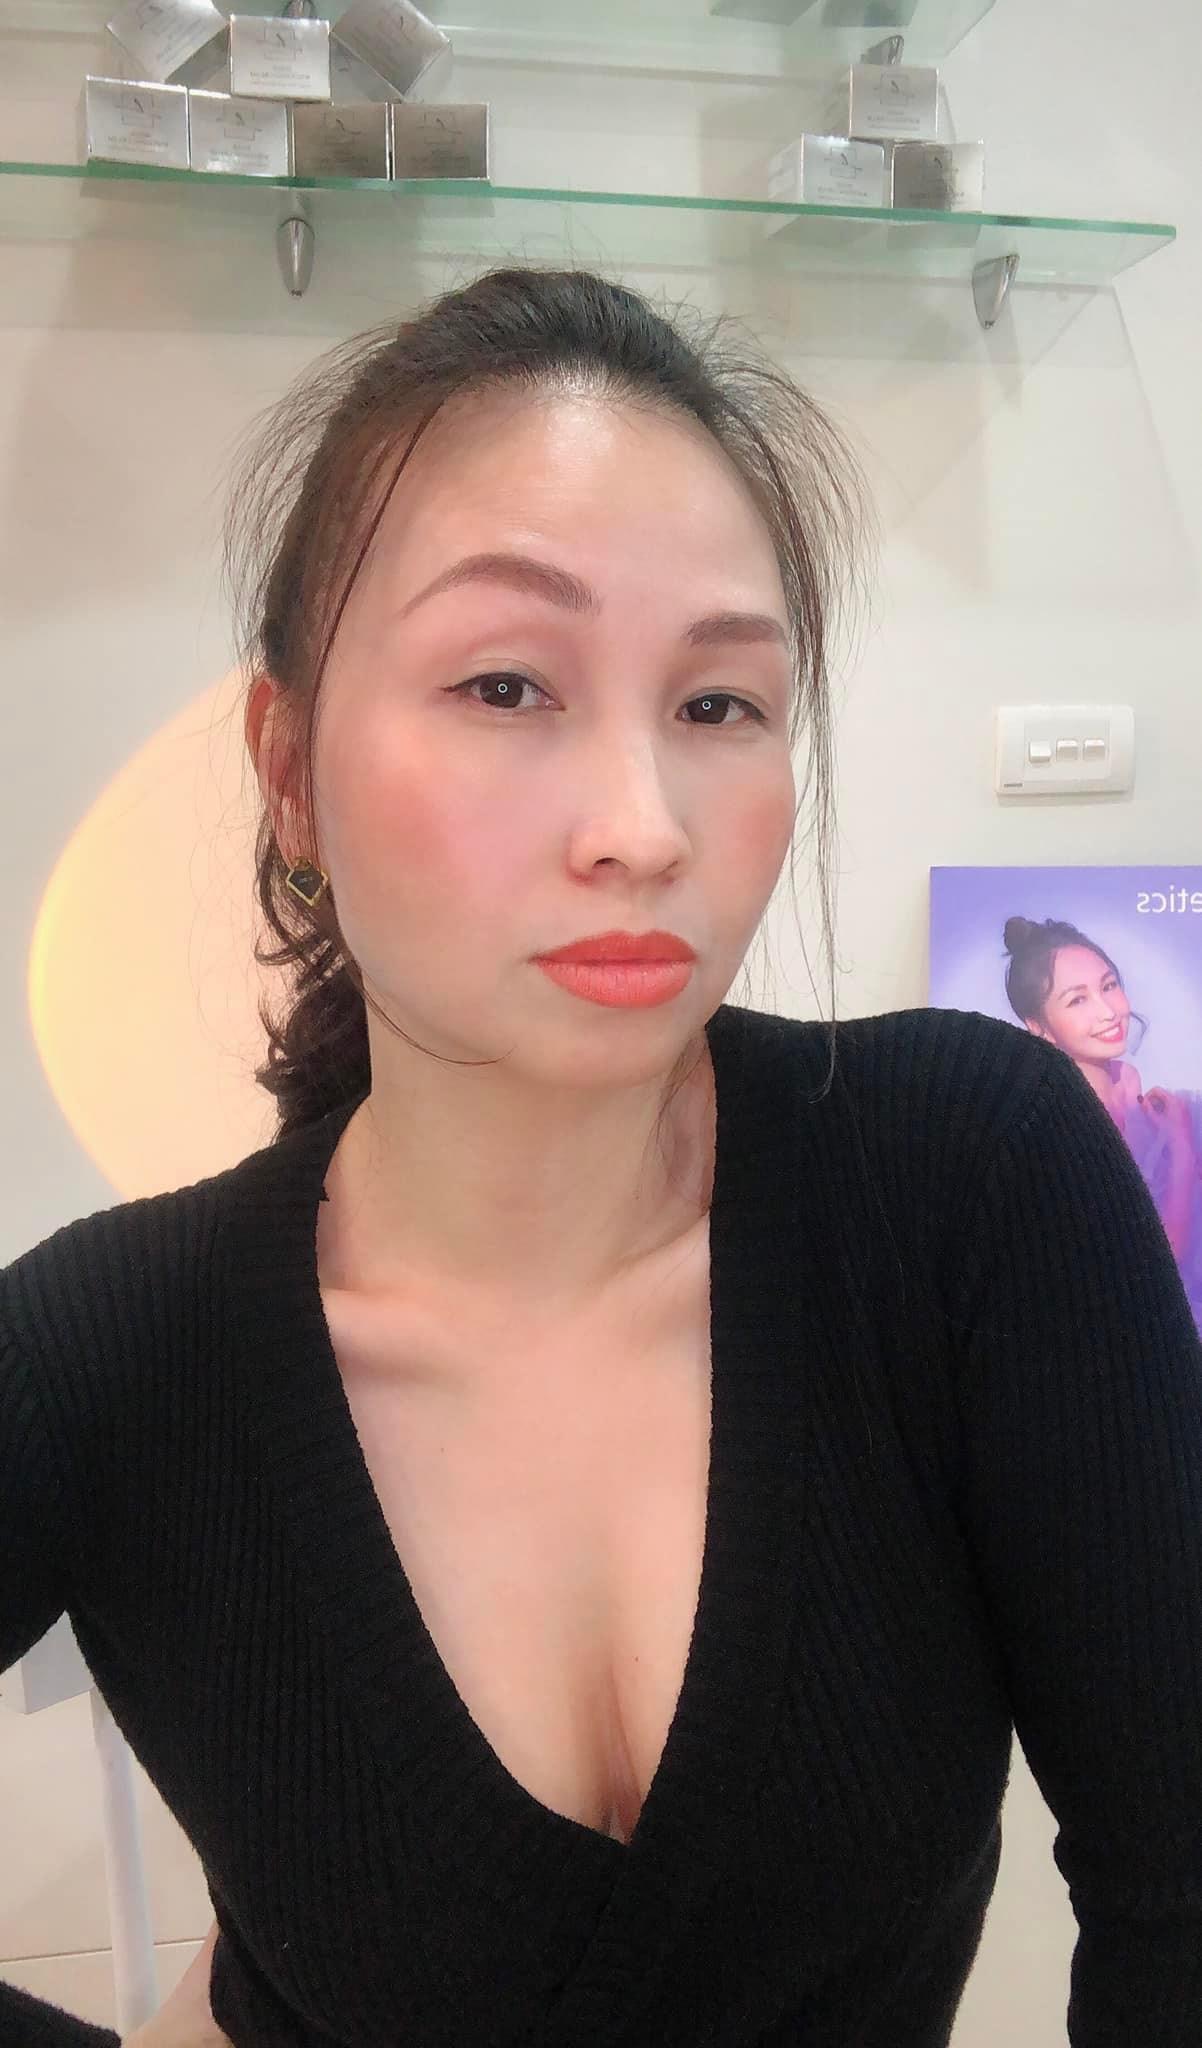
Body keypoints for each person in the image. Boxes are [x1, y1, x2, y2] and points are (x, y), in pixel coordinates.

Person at [3, 266, 1201, 2048]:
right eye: (506, 684)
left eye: (718, 704)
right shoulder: (108, 1351)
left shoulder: (968, 1179)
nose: (642, 829)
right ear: (291, 768)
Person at [1003, 912, 1202, 1329]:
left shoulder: (1156, 1103)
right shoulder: (1058, 1131)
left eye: (1109, 986)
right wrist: (1182, 1147)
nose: (1108, 1011)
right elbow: (1153, 1261)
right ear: (1039, 1027)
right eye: (1078, 1000)